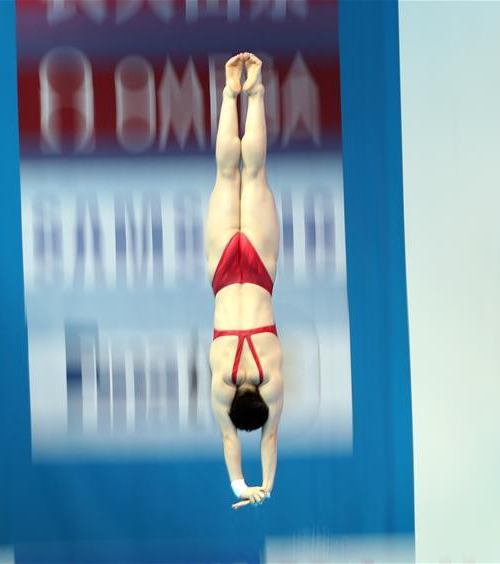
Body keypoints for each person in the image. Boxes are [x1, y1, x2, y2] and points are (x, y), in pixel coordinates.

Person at [207, 52, 283, 508]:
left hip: (257, 271)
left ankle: (253, 91)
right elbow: (229, 439)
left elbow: (269, 438)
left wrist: (266, 484)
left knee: (253, 176)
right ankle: (228, 92)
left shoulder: (270, 375)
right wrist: (240, 484)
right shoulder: (222, 378)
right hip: (223, 271)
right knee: (225, 176)